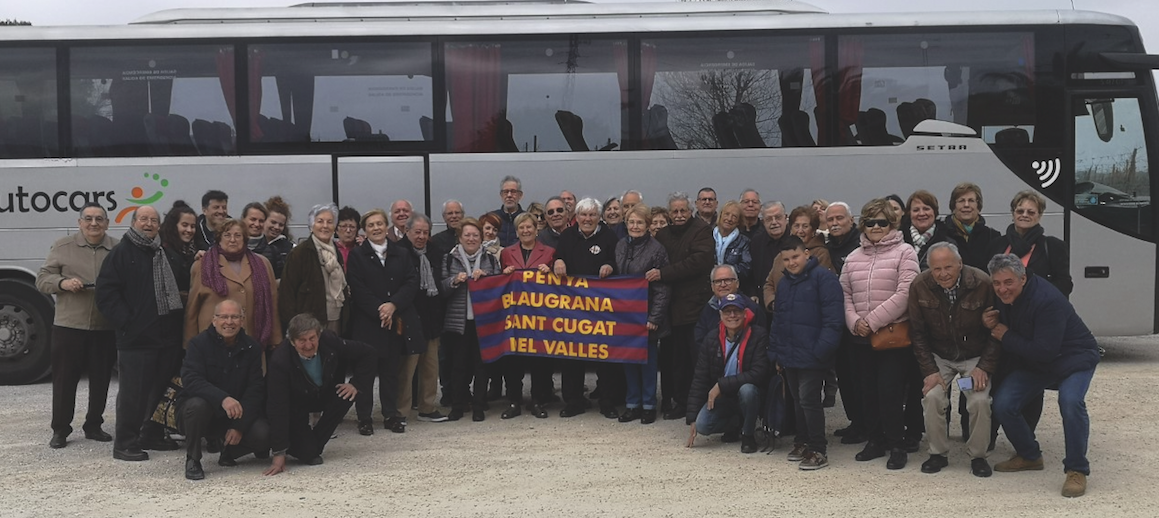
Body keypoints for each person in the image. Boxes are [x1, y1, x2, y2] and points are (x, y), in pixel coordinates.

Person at [983, 254, 1099, 498]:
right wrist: (987, 321)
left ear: (1023, 278)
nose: (1002, 289)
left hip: (1074, 357)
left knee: (1071, 402)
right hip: (1037, 361)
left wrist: (1006, 336)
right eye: (997, 283)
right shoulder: (1002, 296)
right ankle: (1029, 455)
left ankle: (1077, 470)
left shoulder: (1047, 300)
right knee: (1004, 404)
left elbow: (1045, 351)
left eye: (1008, 282)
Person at [96, 205, 185, 461]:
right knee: (133, 395)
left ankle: (150, 435)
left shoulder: (161, 252)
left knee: (158, 390)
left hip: (165, 336)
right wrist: (129, 322)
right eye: (143, 219)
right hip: (136, 338)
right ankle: (125, 443)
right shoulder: (121, 253)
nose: (149, 224)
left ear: (159, 225)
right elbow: (105, 294)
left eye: (153, 220)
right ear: (134, 222)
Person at [840, 198, 920, 470]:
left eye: (882, 222)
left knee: (890, 392)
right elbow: (845, 294)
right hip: (860, 337)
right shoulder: (853, 257)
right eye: (870, 222)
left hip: (891, 337)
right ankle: (875, 440)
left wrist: (872, 321)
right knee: (867, 392)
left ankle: (896, 444)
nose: (876, 227)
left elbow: (906, 292)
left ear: (892, 224)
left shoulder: (905, 252)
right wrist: (855, 322)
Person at [908, 243, 1000, 478]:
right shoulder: (919, 285)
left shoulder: (982, 283)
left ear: (960, 264)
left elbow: (996, 331)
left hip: (974, 356)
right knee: (932, 397)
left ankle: (978, 456)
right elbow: (917, 333)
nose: (943, 274)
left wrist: (984, 367)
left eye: (948, 267)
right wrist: (930, 370)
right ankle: (937, 453)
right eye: (936, 269)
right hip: (940, 356)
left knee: (979, 400)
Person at [37, 202, 119, 449]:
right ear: (79, 222)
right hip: (69, 326)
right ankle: (60, 429)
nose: (94, 223)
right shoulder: (63, 246)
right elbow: (42, 279)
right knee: (65, 380)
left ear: (107, 223)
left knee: (101, 379)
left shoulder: (117, 249)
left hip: (104, 327)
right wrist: (62, 283)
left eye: (99, 219)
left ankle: (94, 425)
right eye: (88, 219)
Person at [264, 313, 376, 474]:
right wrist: (279, 453)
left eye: (312, 338)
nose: (308, 345)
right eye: (302, 340)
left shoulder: (329, 340)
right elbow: (277, 406)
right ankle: (302, 445)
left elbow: (368, 353)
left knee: (346, 395)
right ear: (292, 341)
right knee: (309, 453)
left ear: (319, 335)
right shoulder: (280, 360)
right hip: (296, 403)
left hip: (323, 393)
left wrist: (356, 384)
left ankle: (312, 442)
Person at [768, 235, 844, 470]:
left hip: (813, 355)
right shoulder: (784, 283)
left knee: (810, 400)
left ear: (806, 254)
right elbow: (778, 321)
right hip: (790, 354)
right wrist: (776, 353)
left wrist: (821, 350)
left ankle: (818, 449)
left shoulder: (824, 279)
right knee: (798, 401)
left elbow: (834, 320)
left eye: (795, 257)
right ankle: (802, 441)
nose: (791, 262)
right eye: (786, 259)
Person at [346, 208, 423, 435]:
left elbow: (411, 281)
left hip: (394, 320)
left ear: (385, 225)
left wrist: (393, 305)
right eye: (371, 225)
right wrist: (380, 310)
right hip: (367, 323)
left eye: (379, 224)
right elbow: (357, 288)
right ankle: (364, 417)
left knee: (390, 372)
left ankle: (390, 415)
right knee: (365, 373)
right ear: (365, 230)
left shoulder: (401, 253)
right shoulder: (357, 256)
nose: (376, 228)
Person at [177, 300, 270, 480]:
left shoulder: (252, 347)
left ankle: (229, 450)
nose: (229, 322)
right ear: (214, 320)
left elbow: (255, 390)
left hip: (233, 414)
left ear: (242, 320)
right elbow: (191, 380)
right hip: (200, 413)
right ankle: (193, 459)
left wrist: (239, 427)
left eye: (234, 317)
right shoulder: (198, 344)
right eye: (224, 317)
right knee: (197, 405)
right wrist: (222, 399)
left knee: (263, 434)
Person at [553, 198, 622, 418]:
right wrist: (558, 261)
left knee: (604, 355)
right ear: (576, 216)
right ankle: (573, 401)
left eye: (592, 215)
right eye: (583, 214)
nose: (587, 219)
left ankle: (607, 401)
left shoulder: (609, 237)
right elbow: (558, 256)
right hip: (572, 308)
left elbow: (618, 262)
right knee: (572, 355)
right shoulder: (566, 236)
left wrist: (610, 265)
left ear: (599, 217)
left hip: (601, 308)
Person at [649, 192, 714, 420]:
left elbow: (699, 262)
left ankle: (699, 404)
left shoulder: (701, 230)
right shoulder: (663, 235)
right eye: (674, 211)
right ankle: (679, 401)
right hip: (670, 308)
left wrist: (664, 273)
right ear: (669, 213)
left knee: (695, 359)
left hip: (694, 307)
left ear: (690, 210)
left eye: (683, 210)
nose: (679, 215)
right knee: (676, 361)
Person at [685, 294, 770, 454]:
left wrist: (721, 385)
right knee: (703, 425)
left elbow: (758, 373)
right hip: (724, 397)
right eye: (727, 311)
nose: (732, 315)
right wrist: (692, 417)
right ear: (720, 314)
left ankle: (748, 434)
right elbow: (700, 378)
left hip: (751, 394)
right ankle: (736, 424)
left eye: (736, 311)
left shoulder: (758, 335)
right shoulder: (711, 338)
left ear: (745, 313)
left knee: (747, 390)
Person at [185, 219, 282, 353]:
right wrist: (189, 344)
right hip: (211, 343)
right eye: (227, 235)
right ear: (219, 239)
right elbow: (192, 308)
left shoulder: (262, 264)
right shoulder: (203, 265)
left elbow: (272, 304)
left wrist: (275, 339)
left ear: (245, 239)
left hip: (251, 340)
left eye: (238, 235)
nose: (232, 240)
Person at [440, 218, 502, 421]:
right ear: (460, 237)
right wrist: (454, 281)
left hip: (483, 322)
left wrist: (486, 278)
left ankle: (478, 406)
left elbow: (499, 288)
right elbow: (442, 289)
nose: (471, 238)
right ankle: (457, 406)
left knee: (481, 366)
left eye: (475, 235)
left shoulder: (490, 259)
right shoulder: (449, 259)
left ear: (481, 238)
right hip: (458, 322)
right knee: (458, 366)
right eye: (467, 235)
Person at [614, 204, 671, 424]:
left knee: (648, 363)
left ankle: (648, 405)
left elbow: (662, 288)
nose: (635, 226)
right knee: (628, 361)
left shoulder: (657, 249)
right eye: (631, 222)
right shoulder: (620, 245)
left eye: (639, 222)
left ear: (648, 225)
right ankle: (632, 404)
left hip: (646, 315)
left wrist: (655, 317)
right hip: (625, 316)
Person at [499, 212, 556, 418]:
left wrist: (549, 272)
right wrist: (505, 275)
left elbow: (558, 285)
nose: (525, 231)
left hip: (539, 316)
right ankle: (514, 401)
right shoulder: (507, 253)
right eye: (521, 228)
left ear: (536, 229)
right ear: (516, 231)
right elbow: (499, 283)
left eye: (529, 227)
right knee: (513, 361)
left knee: (539, 361)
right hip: (515, 316)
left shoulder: (549, 252)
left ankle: (537, 400)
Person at [401, 213, 451, 423]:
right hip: (409, 318)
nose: (421, 236)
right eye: (417, 232)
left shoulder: (435, 253)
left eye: (425, 232)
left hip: (432, 318)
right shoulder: (399, 253)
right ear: (407, 231)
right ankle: (401, 411)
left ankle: (427, 407)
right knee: (407, 369)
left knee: (431, 367)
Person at [825, 201, 864, 443]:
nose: (835, 223)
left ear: (851, 220)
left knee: (860, 376)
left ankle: (866, 424)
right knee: (845, 376)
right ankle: (855, 422)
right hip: (836, 321)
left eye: (840, 218)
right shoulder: (827, 247)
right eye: (830, 219)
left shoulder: (861, 245)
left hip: (859, 319)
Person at [278, 203, 348, 333]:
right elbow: (287, 293)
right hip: (309, 321)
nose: (325, 226)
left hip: (335, 316)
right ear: (311, 226)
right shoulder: (300, 253)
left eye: (330, 222)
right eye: (320, 221)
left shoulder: (336, 252)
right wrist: (292, 326)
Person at [989, 190, 1072, 298]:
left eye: (1031, 212)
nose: (1025, 215)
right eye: (1020, 211)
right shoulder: (997, 244)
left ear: (1039, 216)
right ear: (1013, 214)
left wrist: (1037, 297)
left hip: (1039, 306)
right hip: (1004, 307)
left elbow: (1065, 284)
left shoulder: (1053, 246)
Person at [764, 205, 834, 313]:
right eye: (796, 226)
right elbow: (769, 284)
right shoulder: (781, 255)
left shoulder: (821, 253)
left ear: (813, 230)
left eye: (805, 226)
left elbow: (820, 288)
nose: (800, 231)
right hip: (781, 313)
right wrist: (773, 302)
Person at [693, 265, 766, 355]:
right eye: (718, 281)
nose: (723, 285)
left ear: (737, 283)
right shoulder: (708, 308)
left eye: (728, 280)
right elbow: (700, 340)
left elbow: (761, 343)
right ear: (712, 286)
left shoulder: (752, 308)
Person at [943, 182, 1002, 271]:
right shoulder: (941, 234)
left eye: (971, 201)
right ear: (953, 207)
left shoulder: (992, 236)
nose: (966, 205)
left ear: (978, 207)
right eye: (961, 201)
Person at [159, 200, 199, 301]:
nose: (189, 230)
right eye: (184, 225)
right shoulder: (160, 250)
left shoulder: (194, 249)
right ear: (173, 225)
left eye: (193, 226)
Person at [750, 201, 788, 305]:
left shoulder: (795, 240)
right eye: (769, 219)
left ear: (786, 218)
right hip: (763, 303)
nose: (774, 222)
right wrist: (752, 293)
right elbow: (751, 273)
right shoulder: (756, 242)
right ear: (763, 222)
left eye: (778, 217)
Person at [900, 190, 949, 270]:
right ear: (909, 214)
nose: (922, 213)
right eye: (916, 210)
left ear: (935, 212)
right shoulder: (898, 241)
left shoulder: (948, 243)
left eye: (926, 209)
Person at [713, 200, 752, 287]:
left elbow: (746, 267)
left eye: (734, 216)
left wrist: (725, 272)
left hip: (733, 286)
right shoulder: (707, 236)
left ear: (738, 221)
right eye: (727, 214)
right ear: (720, 215)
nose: (729, 219)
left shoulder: (744, 242)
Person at [262, 196, 294, 281]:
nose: (276, 227)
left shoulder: (291, 248)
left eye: (281, 225)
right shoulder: (251, 244)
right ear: (264, 220)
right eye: (273, 222)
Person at [490, 175, 525, 247]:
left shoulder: (527, 219)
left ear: (520, 195)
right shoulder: (492, 218)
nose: (509, 195)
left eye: (513, 191)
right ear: (501, 195)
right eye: (506, 192)